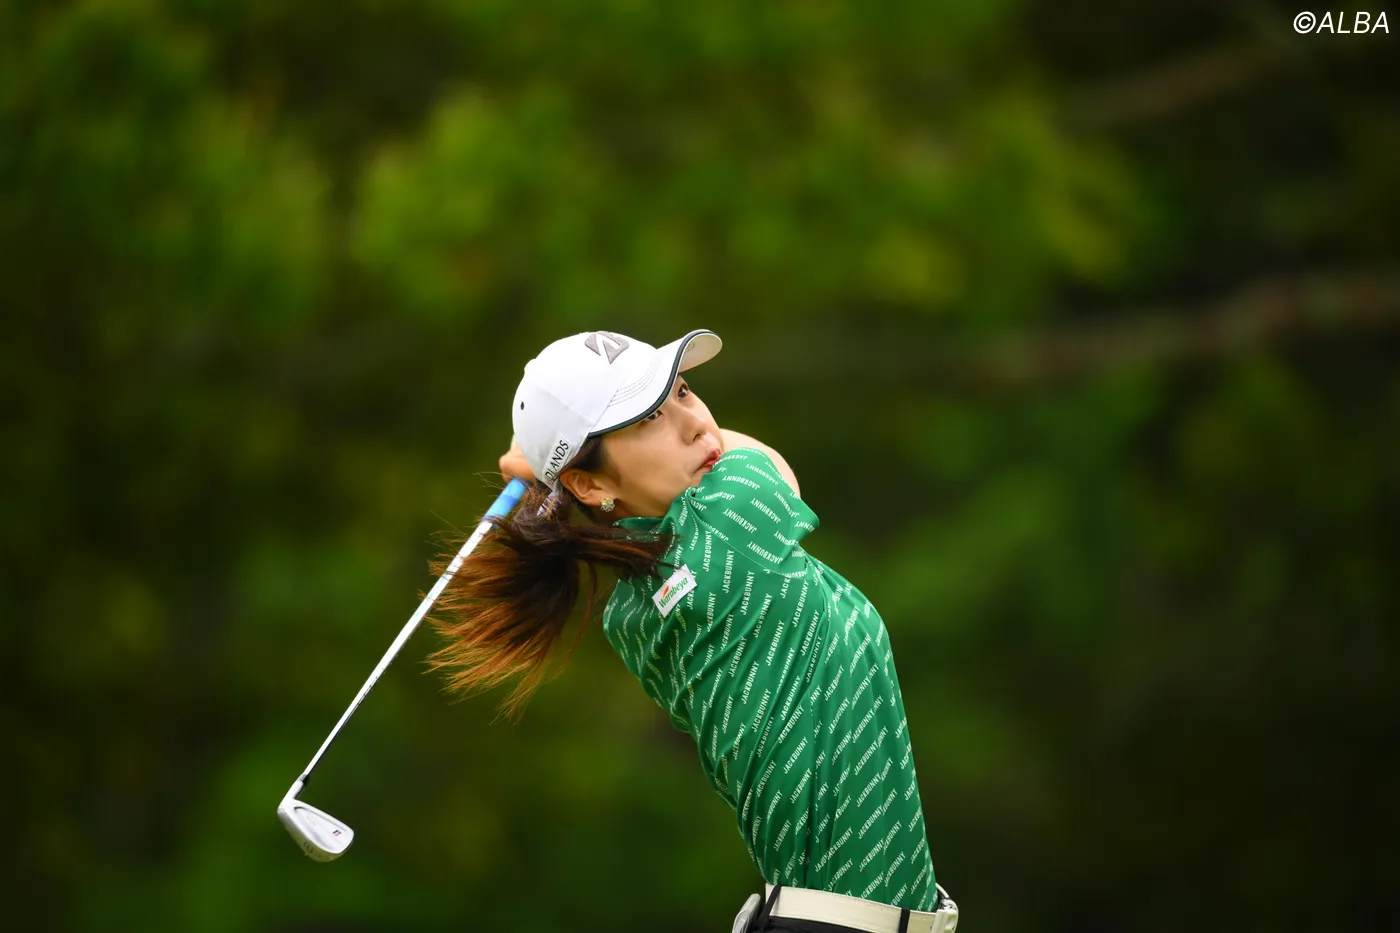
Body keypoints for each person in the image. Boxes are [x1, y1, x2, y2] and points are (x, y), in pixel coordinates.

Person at [430, 329, 960, 933]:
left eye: (681, 392)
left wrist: (559, 467)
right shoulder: (733, 524)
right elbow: (756, 458)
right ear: (590, 485)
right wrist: (543, 466)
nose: (694, 424)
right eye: (647, 418)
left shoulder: (631, 613)